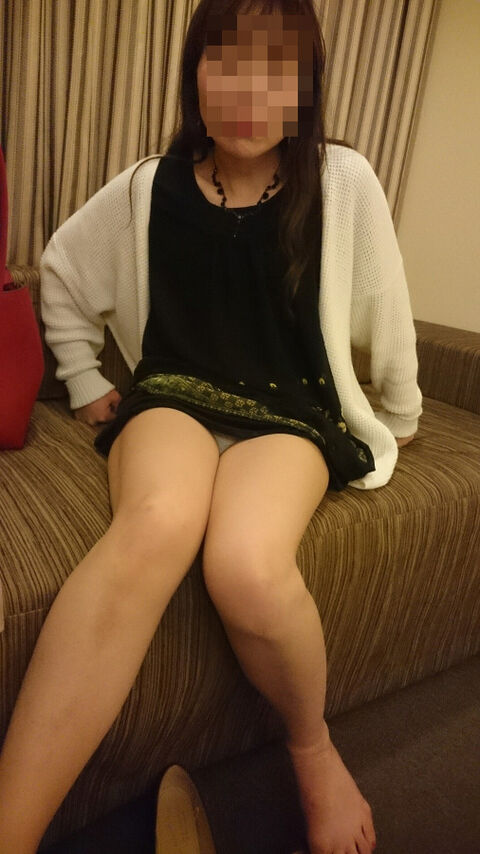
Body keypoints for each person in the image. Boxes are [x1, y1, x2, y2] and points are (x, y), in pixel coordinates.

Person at [0, 1, 422, 852]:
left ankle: (312, 749)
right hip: (175, 397)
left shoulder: (342, 181)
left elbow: (387, 308)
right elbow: (62, 269)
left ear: (307, 88)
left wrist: (401, 414)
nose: (245, 91)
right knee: (153, 526)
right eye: (224, 61)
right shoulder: (145, 185)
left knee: (247, 565)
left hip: (289, 411)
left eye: (276, 70)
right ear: (194, 71)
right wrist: (83, 378)